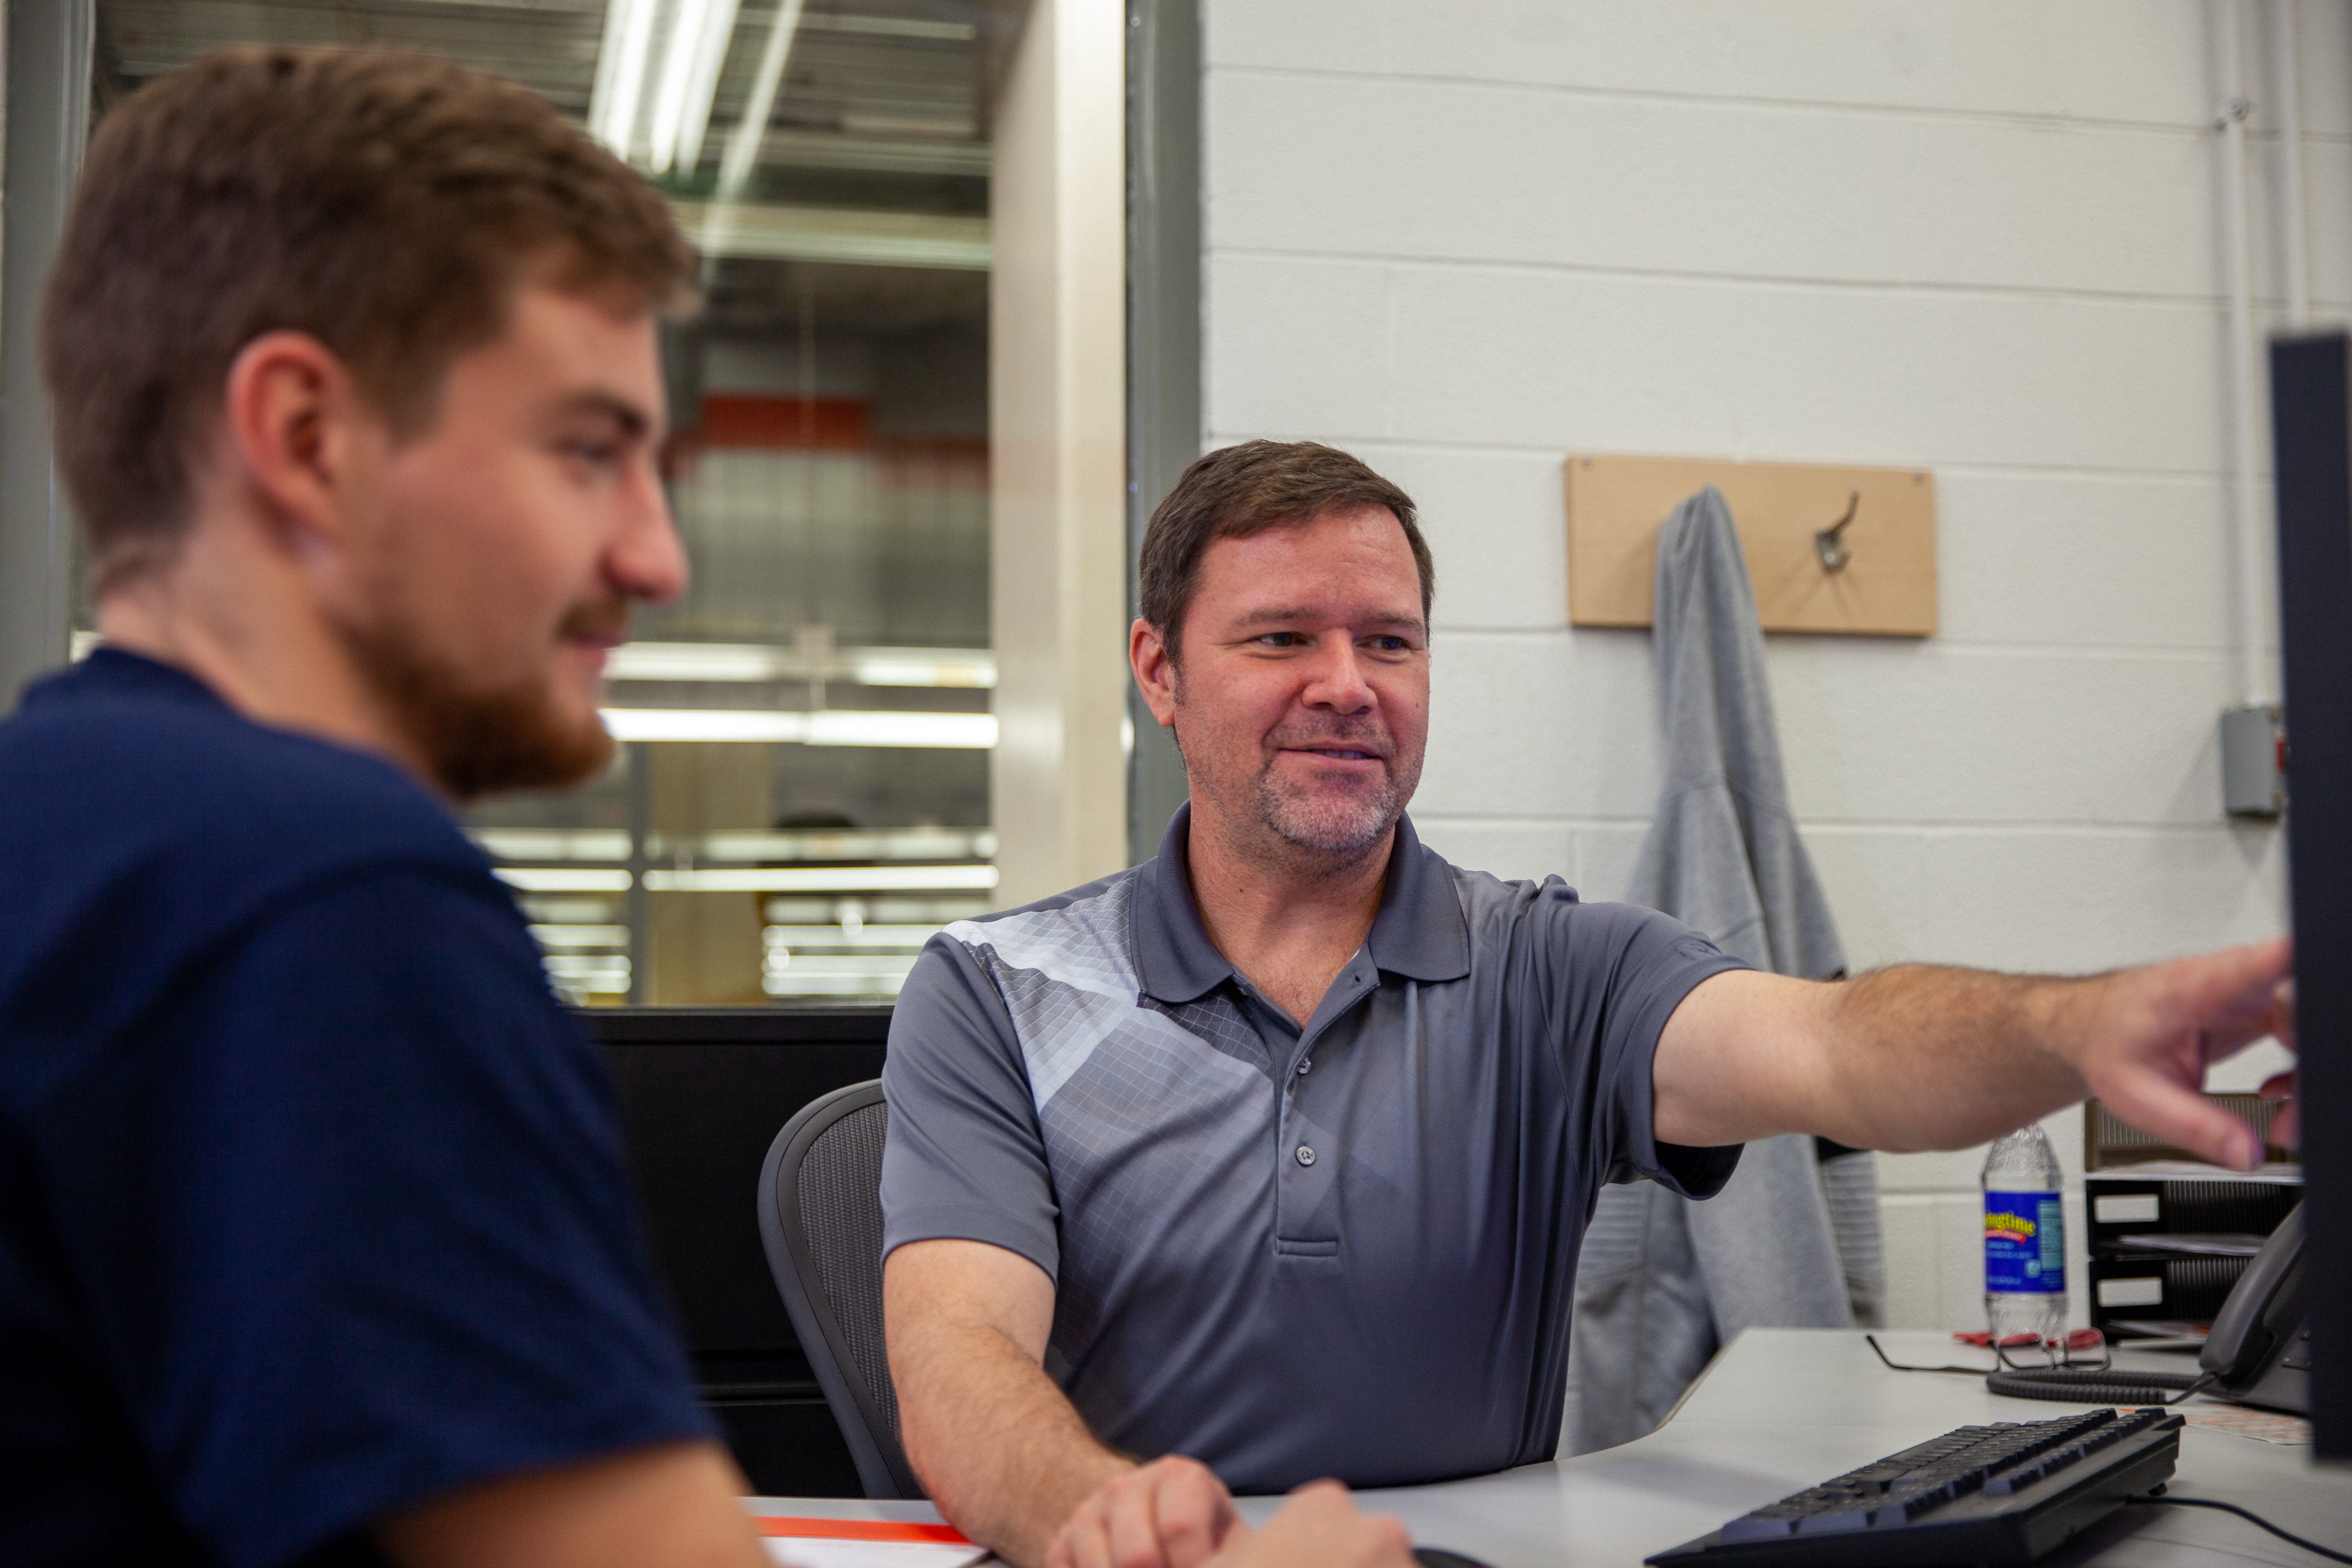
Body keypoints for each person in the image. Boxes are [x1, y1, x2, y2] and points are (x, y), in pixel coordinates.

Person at [0, 52, 1416, 1568]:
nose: (659, 556)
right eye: (587, 451)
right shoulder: (319, 904)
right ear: (303, 435)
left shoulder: (56, 833)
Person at [878, 439, 2301, 1568]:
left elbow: (1831, 1042)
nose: (1346, 686)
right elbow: (955, 1353)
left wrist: (2073, 1027)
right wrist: (1124, 1532)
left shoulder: (1548, 967)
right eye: (1278, 639)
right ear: (1157, 672)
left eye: (1389, 640)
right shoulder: (999, 991)